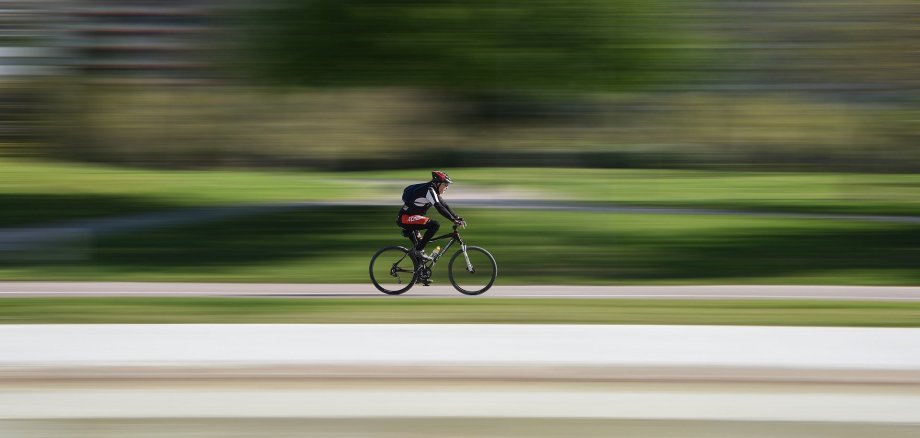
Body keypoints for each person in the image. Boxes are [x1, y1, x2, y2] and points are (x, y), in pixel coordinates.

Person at [397, 170, 466, 261]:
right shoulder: (429, 190)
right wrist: (453, 220)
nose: (447, 187)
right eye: (445, 184)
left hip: (411, 218)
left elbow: (444, 205)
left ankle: (419, 271)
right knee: (434, 225)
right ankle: (418, 250)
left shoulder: (433, 191)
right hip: (405, 218)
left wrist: (456, 217)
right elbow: (439, 208)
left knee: (420, 256)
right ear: (438, 183)